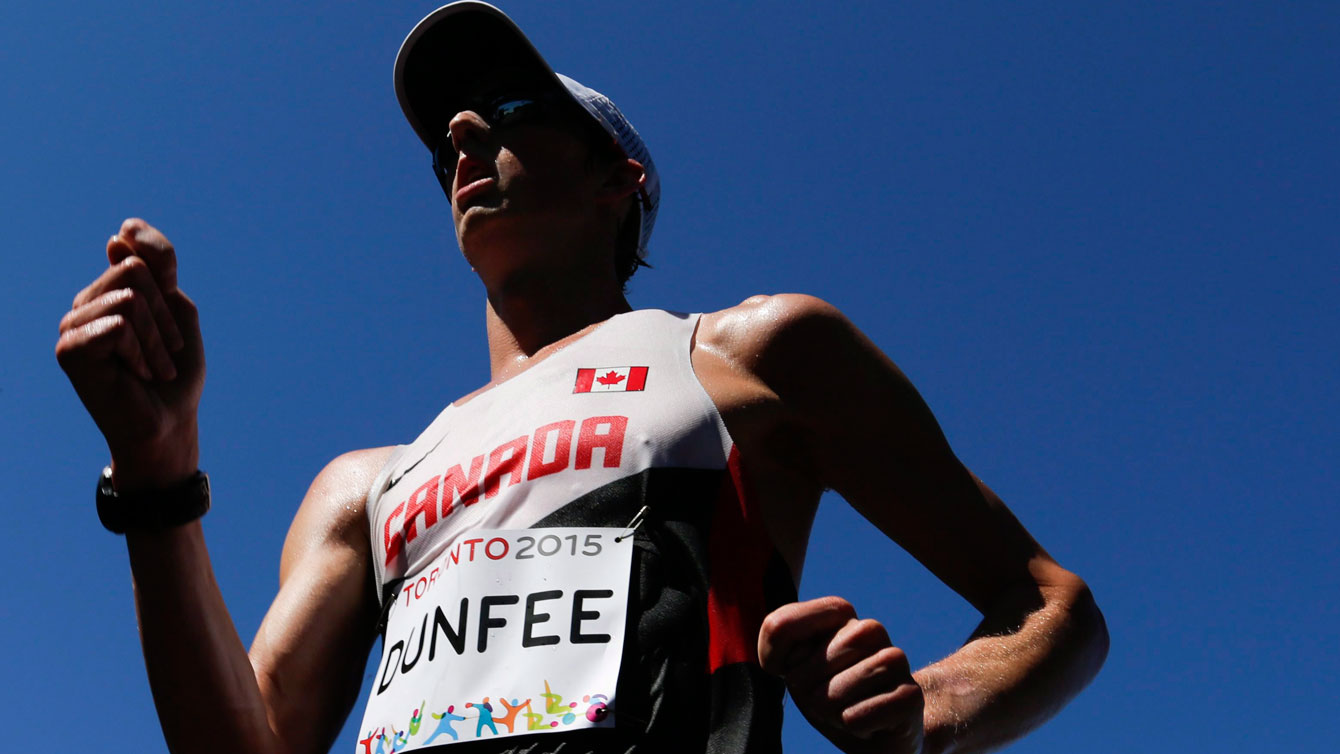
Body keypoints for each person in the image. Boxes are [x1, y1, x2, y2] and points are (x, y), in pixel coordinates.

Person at [55, 3, 1108, 753]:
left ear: (620, 180)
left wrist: (930, 710)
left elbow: (1050, 604)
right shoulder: (359, 485)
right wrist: (157, 474)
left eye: (512, 107)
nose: (464, 133)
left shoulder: (750, 354)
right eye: (445, 141)